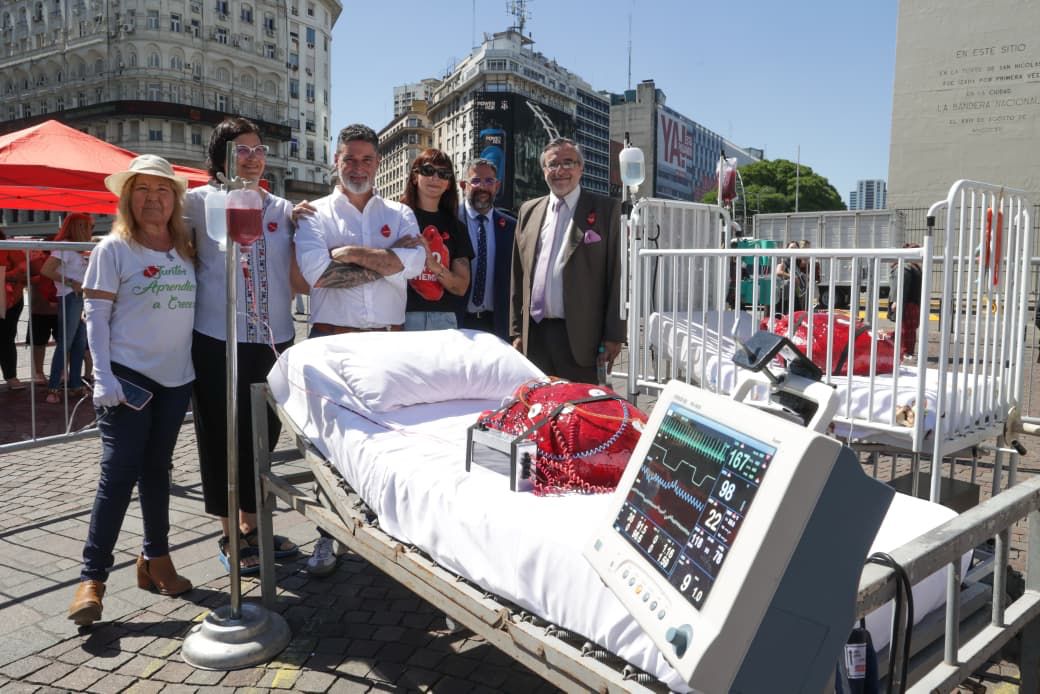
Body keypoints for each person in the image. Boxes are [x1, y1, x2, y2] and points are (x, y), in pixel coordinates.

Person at [67, 155, 197, 627]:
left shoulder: (185, 246)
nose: (152, 199)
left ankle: (156, 559)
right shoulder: (114, 248)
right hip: (129, 379)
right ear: (127, 198)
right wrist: (102, 377)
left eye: (162, 190)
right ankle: (92, 578)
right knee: (118, 474)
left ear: (175, 199)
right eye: (142, 190)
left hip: (176, 380)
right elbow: (95, 316)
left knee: (159, 470)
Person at [295, 123, 426, 576]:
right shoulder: (313, 214)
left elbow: (417, 263)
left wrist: (350, 252)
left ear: (379, 163)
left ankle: (387, 534)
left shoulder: (400, 212)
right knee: (328, 444)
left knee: (388, 442)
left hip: (388, 341)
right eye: (349, 158)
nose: (358, 167)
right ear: (336, 160)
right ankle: (326, 534)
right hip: (333, 340)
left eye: (367, 159)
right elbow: (315, 272)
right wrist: (387, 261)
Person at [184, 117, 310, 575]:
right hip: (215, 340)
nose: (253, 157)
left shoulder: (282, 209)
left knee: (262, 440)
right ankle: (227, 531)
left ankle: (254, 526)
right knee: (219, 435)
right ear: (221, 157)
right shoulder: (197, 202)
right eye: (241, 150)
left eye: (258, 150)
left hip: (272, 340)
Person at [510, 137, 624, 383]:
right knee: (537, 409)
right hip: (535, 337)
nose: (560, 170)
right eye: (553, 164)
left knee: (578, 411)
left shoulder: (607, 210)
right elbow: (518, 275)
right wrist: (517, 331)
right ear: (544, 171)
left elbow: (618, 275)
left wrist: (615, 334)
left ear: (581, 168)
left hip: (582, 338)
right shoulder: (528, 211)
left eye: (568, 162)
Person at [400, 148, 473, 330]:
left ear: (448, 184)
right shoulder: (396, 218)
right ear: (415, 177)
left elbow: (461, 286)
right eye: (427, 170)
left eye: (443, 174)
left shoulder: (457, 228)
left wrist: (433, 266)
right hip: (400, 316)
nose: (435, 178)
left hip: (444, 319)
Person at [456, 157, 516, 341]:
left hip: (497, 325)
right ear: (463, 185)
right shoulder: (450, 220)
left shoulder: (512, 227)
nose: (482, 186)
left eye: (489, 181)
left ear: (496, 186)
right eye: (475, 180)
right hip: (458, 322)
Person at [41, 214, 93, 403]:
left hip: (78, 298)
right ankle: (54, 387)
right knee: (66, 344)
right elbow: (46, 270)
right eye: (87, 226)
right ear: (78, 227)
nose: (90, 230)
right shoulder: (65, 246)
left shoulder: (77, 248)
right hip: (70, 297)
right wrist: (72, 283)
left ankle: (75, 385)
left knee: (78, 344)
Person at [25, 247, 59, 384]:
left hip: (60, 309)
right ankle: (38, 373)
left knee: (63, 343)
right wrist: (46, 276)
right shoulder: (34, 262)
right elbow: (26, 280)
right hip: (39, 309)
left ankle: (62, 371)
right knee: (38, 344)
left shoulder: (63, 260)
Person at [0, 229, 28, 390]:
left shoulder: (10, 246)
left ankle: (11, 376)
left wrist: (7, 275)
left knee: (6, 338)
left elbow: (23, 269)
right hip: (11, 298)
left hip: (11, 300)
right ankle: (11, 377)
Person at [888, 243, 923, 356]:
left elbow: (901, 285)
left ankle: (903, 351)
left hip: (907, 303)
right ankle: (905, 351)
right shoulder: (913, 267)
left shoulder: (904, 267)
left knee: (905, 329)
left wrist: (896, 301)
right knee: (908, 330)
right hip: (913, 303)